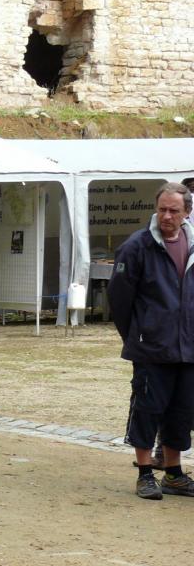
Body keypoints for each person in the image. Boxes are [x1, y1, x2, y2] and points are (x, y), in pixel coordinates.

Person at [107, 182, 194, 500]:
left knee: (181, 413)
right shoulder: (137, 246)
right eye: (162, 209)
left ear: (188, 212)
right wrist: (138, 335)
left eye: (174, 210)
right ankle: (145, 473)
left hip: (188, 347)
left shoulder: (192, 243)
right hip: (151, 346)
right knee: (147, 408)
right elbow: (118, 300)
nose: (166, 216)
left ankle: (174, 474)